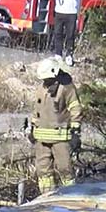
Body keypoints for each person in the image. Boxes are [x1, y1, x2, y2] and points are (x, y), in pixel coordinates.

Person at [28, 58, 82, 193]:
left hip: (60, 137)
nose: (45, 82)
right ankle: (47, 197)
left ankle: (71, 195)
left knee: (65, 169)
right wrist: (33, 128)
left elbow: (75, 108)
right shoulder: (41, 88)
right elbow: (37, 110)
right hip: (41, 137)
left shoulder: (66, 88)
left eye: (47, 79)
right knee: (43, 169)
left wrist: (75, 132)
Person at [49, 0, 81, 66]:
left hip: (71, 12)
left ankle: (69, 55)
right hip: (59, 11)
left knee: (70, 35)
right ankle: (58, 54)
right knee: (57, 33)